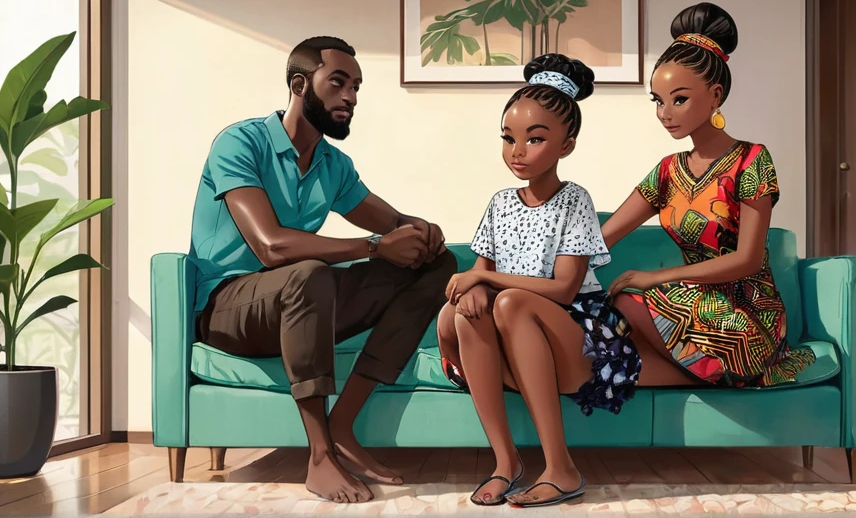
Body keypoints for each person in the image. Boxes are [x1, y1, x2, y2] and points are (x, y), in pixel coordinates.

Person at [187, 36, 457, 504]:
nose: (350, 97)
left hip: (303, 303)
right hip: (229, 309)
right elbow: (271, 246)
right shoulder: (240, 142)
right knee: (307, 272)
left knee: (438, 263)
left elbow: (391, 221)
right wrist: (375, 247)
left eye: (355, 86)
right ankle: (318, 455)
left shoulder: (333, 164)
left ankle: (344, 426)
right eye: (337, 82)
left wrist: (421, 230)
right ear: (299, 84)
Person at [435, 54, 641, 509]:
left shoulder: (575, 200)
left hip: (579, 333)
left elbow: (565, 289)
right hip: (514, 335)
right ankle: (505, 462)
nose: (517, 151)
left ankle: (561, 468)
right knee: (468, 309)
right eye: (508, 138)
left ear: (566, 145)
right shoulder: (500, 202)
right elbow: (479, 279)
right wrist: (469, 291)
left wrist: (482, 280)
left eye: (535, 138)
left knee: (508, 302)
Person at [600, 2, 816, 390]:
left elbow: (747, 260)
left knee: (625, 302)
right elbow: (600, 239)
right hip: (689, 307)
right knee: (602, 322)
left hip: (747, 317)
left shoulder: (752, 159)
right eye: (658, 100)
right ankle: (691, 377)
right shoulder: (668, 171)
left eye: (678, 99)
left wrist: (657, 278)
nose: (665, 113)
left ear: (715, 96)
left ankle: (725, 371)